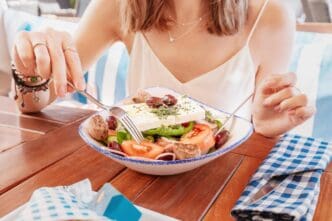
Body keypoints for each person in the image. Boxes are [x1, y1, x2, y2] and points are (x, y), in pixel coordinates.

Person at [12, 0, 315, 137]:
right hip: (133, 191)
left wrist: (265, 127)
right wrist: (32, 72)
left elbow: (262, 127)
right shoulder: (118, 6)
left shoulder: (270, 16)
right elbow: (40, 97)